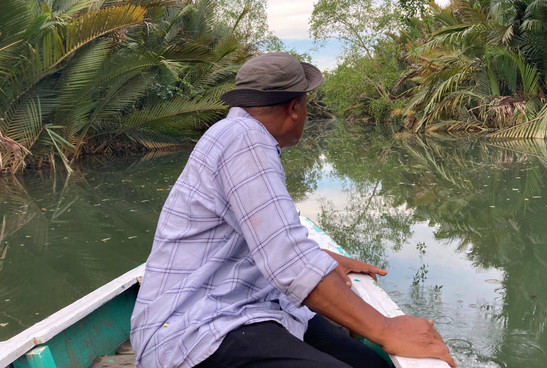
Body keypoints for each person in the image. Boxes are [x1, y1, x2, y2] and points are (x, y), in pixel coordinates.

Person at [130, 52, 456, 368]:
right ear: (295, 107)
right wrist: (385, 328)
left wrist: (325, 258)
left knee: (369, 362)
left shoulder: (235, 135)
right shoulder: (245, 140)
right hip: (193, 325)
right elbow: (287, 258)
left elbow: (268, 238)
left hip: (246, 303)